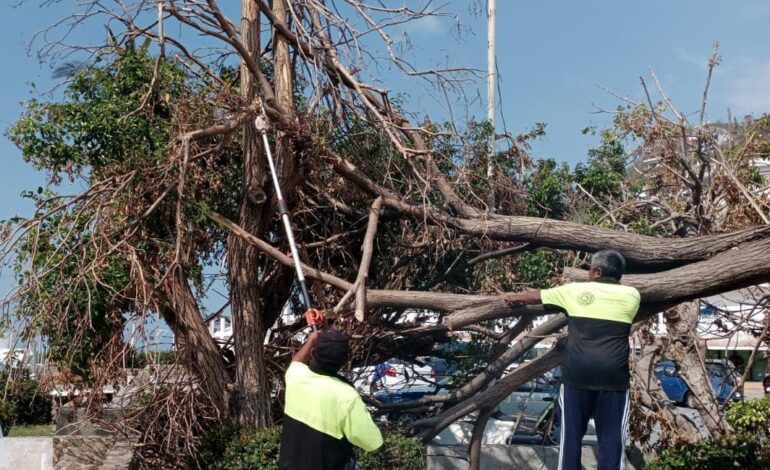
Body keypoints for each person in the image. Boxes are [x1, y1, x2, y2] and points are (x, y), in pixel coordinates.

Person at [503, 250, 640, 470]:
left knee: (570, 441)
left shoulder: (575, 291)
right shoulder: (633, 296)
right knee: (612, 444)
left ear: (597, 271)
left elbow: (538, 296)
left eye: (589, 270)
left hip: (576, 377)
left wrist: (514, 297)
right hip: (614, 380)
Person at [278, 329, 383, 470]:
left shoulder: (296, 377)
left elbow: (296, 361)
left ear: (312, 353)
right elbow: (372, 443)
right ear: (346, 361)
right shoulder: (347, 396)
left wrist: (311, 340)